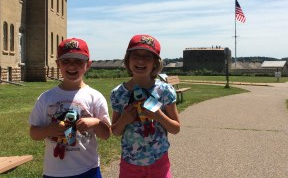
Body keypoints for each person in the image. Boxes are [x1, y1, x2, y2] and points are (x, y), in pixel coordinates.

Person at [29, 38, 111, 178]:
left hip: (88, 169)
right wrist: (49, 129)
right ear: (58, 64)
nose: (72, 66)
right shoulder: (46, 98)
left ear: (88, 64)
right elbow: (33, 133)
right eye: (66, 61)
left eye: (78, 61)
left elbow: (106, 134)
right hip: (54, 172)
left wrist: (96, 123)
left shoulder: (94, 97)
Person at [110, 34, 180, 178]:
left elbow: (175, 128)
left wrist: (159, 116)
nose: (141, 60)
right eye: (135, 55)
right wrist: (124, 119)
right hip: (130, 164)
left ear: (155, 62)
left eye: (148, 56)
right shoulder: (119, 93)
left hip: (159, 163)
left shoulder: (165, 91)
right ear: (127, 60)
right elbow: (115, 131)